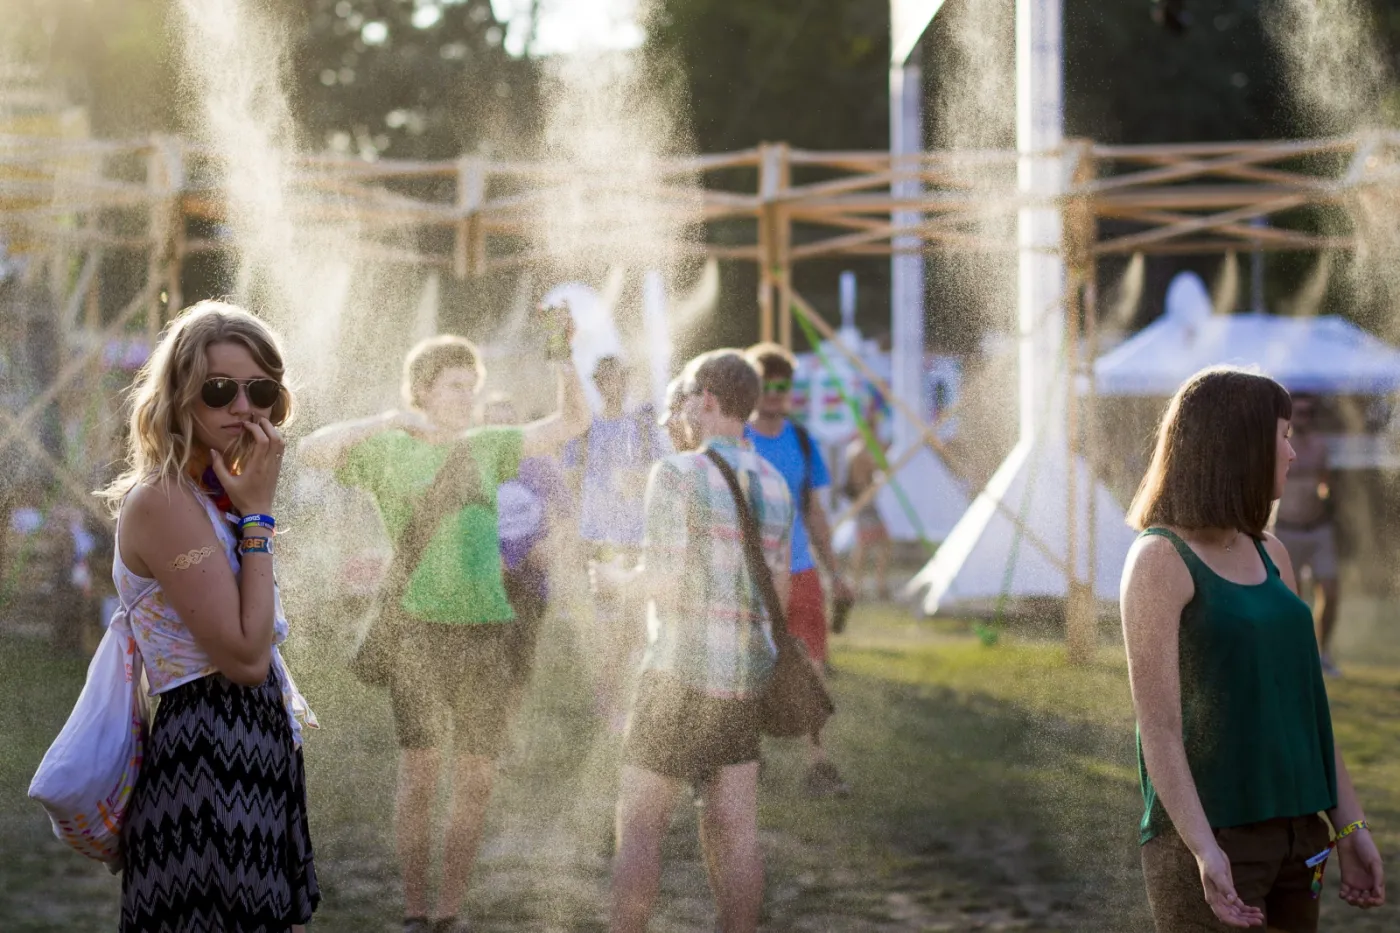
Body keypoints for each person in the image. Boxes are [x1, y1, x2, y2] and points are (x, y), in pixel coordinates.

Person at [298, 331, 588, 933]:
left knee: (477, 780)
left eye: (472, 387)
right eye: (456, 386)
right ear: (423, 390)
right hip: (419, 636)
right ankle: (414, 910)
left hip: (489, 633)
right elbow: (311, 452)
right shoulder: (387, 451)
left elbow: (570, 422)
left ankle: (449, 912)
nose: (468, 397)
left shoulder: (490, 445)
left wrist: (562, 355)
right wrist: (389, 421)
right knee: (422, 775)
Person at [1121, 366, 1384, 932]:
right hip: (1213, 840)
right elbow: (1158, 727)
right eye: (1282, 436)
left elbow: (1308, 710)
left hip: (1300, 838)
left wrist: (1349, 826)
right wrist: (1202, 850)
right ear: (1238, 444)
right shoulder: (1160, 560)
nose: (1293, 454)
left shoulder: (1272, 553)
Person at [100, 301, 319, 932]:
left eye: (262, 391)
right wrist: (258, 518)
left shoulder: (216, 495)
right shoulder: (164, 502)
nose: (244, 409)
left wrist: (249, 510)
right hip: (208, 754)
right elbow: (246, 658)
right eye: (220, 391)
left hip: (255, 748)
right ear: (180, 402)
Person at [606, 349, 793, 933]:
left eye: (682, 398)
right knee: (735, 830)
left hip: (677, 674)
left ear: (707, 400)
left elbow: (663, 583)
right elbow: (778, 601)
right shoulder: (774, 482)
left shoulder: (678, 474)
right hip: (741, 680)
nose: (677, 412)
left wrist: (614, 581)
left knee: (640, 825)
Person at [743, 342, 852, 798]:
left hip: (803, 569)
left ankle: (818, 762)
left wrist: (836, 572)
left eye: (783, 386)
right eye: (766, 385)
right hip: (751, 574)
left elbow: (816, 513)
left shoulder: (803, 441)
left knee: (811, 665)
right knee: (748, 665)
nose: (774, 394)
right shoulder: (737, 442)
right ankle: (748, 758)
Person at [565, 355, 669, 732]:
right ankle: (607, 705)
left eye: (620, 378)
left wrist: (637, 480)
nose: (614, 385)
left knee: (640, 625)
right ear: (597, 383)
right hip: (600, 541)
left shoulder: (642, 426)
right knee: (610, 627)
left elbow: (662, 477)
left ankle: (640, 702)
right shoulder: (586, 428)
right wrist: (574, 535)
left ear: (627, 380)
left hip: (638, 541)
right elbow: (572, 483)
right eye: (606, 379)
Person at [1272, 394, 1343, 676]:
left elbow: (1326, 482)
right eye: (1298, 412)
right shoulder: (1277, 444)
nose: (1304, 417)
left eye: (1308, 412)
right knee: (1292, 597)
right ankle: (1297, 655)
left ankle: (1322, 653)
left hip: (1318, 528)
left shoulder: (1321, 446)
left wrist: (1327, 495)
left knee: (1330, 591)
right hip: (1287, 529)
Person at [842, 407, 893, 602]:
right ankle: (859, 585)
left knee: (880, 543)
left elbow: (884, 467)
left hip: (869, 502)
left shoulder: (867, 449)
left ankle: (875, 583)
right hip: (863, 502)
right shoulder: (858, 451)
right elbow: (865, 475)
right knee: (865, 545)